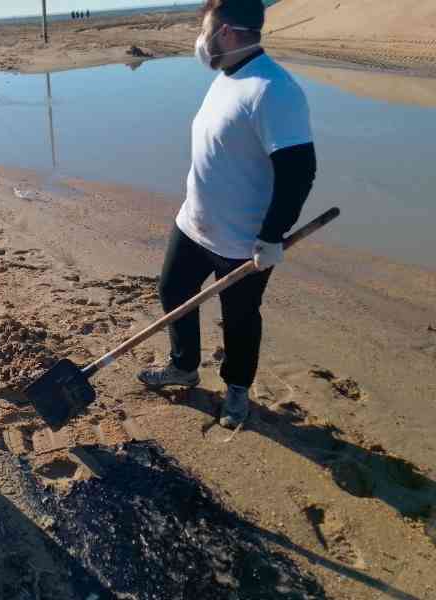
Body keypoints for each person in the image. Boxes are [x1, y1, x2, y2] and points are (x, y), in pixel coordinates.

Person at [137, 0, 316, 429]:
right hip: (194, 224)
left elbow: (298, 171)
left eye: (206, 30)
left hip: (242, 241)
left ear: (229, 32)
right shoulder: (226, 77)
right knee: (173, 292)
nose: (201, 40)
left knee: (239, 318)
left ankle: (236, 390)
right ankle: (184, 365)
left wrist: (272, 236)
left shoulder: (274, 90)